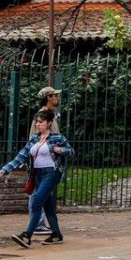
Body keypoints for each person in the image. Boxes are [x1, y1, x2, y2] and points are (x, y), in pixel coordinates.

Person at [1, 109, 73, 248]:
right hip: (37, 175)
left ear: (49, 123)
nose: (38, 125)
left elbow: (71, 151)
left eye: (41, 122)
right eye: (36, 122)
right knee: (48, 206)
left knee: (36, 202)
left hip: (51, 173)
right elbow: (21, 156)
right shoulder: (34, 139)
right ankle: (56, 234)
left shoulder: (57, 137)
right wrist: (5, 169)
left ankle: (27, 236)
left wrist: (61, 150)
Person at [28, 87, 61, 236]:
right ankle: (37, 224)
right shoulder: (41, 116)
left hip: (50, 161)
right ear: (48, 98)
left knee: (45, 193)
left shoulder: (50, 115)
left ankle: (52, 230)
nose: (57, 98)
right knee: (36, 193)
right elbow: (33, 139)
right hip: (41, 161)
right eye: (55, 96)